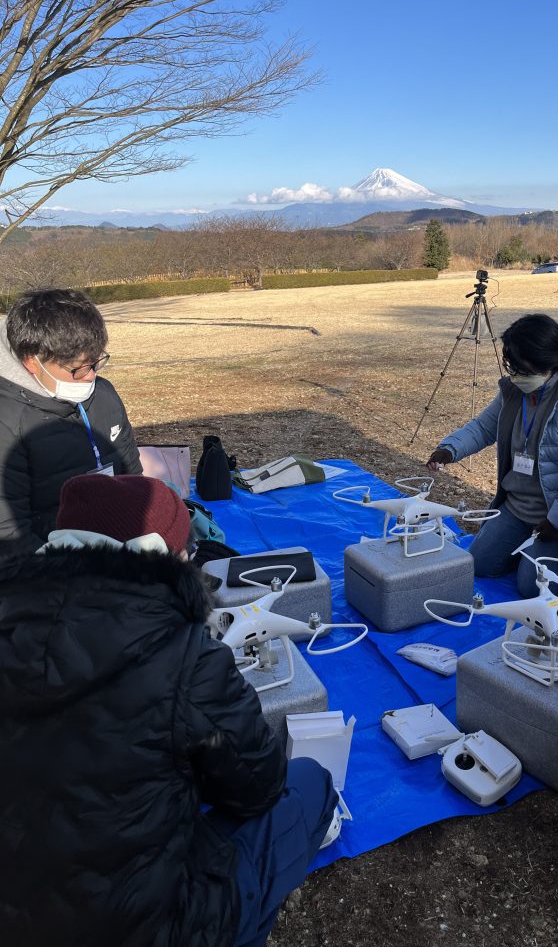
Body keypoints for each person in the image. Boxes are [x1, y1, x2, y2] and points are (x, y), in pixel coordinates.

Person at [0, 473, 336, 947]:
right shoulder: (185, 656)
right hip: (142, 927)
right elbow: (257, 787)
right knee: (309, 783)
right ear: (168, 555)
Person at [426, 313, 558, 595]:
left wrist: (556, 522)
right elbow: (483, 427)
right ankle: (525, 549)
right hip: (518, 507)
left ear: (547, 364)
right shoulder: (515, 389)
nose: (513, 375)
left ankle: (545, 557)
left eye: (521, 368)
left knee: (531, 589)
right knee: (480, 564)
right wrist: (449, 449)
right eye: (510, 366)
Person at [0, 288, 142, 552]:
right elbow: (9, 535)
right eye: (77, 368)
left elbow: (132, 472)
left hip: (117, 546)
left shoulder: (103, 394)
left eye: (96, 362)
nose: (90, 377)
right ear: (33, 362)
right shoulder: (8, 421)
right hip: (53, 565)